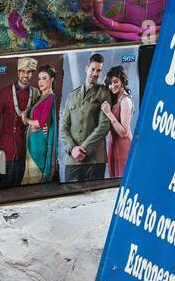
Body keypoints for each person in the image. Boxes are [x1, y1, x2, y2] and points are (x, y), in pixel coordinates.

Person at [0, 57, 38, 189]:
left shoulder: (35, 94)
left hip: (24, 151)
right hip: (3, 150)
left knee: (19, 186)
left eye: (28, 72)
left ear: (32, 73)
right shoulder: (5, 92)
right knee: (1, 183)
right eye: (22, 71)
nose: (25, 75)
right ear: (18, 71)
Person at [60, 53, 112, 183]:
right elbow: (63, 127)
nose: (95, 73)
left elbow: (104, 125)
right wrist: (72, 149)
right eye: (93, 69)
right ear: (86, 68)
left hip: (95, 159)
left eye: (99, 70)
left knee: (95, 197)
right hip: (72, 159)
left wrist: (83, 149)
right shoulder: (72, 95)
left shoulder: (104, 93)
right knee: (70, 196)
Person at [22, 65, 58, 186]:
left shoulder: (50, 98)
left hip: (39, 145)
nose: (40, 82)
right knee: (29, 181)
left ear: (51, 80)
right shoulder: (40, 97)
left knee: (34, 181)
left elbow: (40, 123)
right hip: (32, 143)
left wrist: (26, 120)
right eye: (39, 79)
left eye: (44, 78)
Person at [102, 65, 134, 179]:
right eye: (110, 83)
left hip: (124, 147)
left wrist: (109, 113)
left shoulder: (125, 101)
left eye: (116, 82)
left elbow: (123, 133)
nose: (112, 86)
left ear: (122, 80)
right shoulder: (115, 99)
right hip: (114, 145)